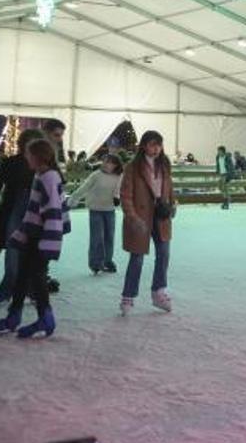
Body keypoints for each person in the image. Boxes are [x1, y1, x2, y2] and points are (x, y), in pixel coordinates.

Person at [0, 138, 69, 338]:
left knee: (36, 277)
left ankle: (45, 318)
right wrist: (22, 233)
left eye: (28, 154)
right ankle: (13, 317)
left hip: (42, 238)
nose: (25, 157)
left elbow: (54, 212)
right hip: (34, 235)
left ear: (37, 156)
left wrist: (48, 242)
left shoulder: (49, 178)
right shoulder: (40, 175)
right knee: (24, 277)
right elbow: (33, 212)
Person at [119, 130, 177, 316]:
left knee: (164, 253)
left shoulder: (164, 164)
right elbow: (126, 194)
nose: (156, 148)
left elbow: (169, 187)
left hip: (161, 216)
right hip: (141, 217)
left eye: (159, 145)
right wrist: (132, 216)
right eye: (152, 144)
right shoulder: (133, 167)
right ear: (144, 145)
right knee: (137, 258)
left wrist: (172, 204)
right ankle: (128, 296)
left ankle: (158, 291)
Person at [0, 129, 45, 305]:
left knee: (31, 253)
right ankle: (7, 289)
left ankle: (27, 289)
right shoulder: (11, 163)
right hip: (12, 211)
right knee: (13, 254)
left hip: (36, 212)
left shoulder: (43, 165)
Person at [69, 153, 123, 275]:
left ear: (115, 165)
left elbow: (119, 189)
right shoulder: (96, 175)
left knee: (109, 237)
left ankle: (107, 261)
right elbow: (84, 187)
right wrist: (74, 198)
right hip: (96, 210)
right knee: (97, 237)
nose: (105, 164)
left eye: (108, 162)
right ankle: (95, 263)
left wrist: (117, 197)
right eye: (104, 161)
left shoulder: (119, 176)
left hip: (110, 210)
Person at [215, 145, 234, 211]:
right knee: (220, 187)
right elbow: (218, 165)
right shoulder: (217, 157)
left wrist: (229, 176)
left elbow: (231, 168)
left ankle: (226, 203)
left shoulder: (227, 158)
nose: (218, 152)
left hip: (226, 174)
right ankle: (227, 198)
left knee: (224, 188)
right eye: (218, 151)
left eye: (219, 151)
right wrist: (217, 171)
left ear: (223, 152)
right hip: (221, 174)